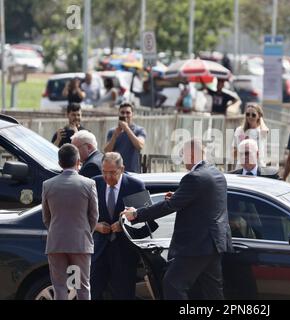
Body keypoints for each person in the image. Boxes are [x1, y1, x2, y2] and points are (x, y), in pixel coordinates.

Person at [122, 139, 233, 300]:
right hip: (215, 243)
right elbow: (205, 202)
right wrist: (178, 196)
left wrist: (137, 214)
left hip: (197, 245)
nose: (182, 158)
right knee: (213, 291)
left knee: (173, 284)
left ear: (192, 154)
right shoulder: (217, 174)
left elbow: (170, 206)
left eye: (183, 154)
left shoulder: (194, 177)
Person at [42, 144, 99, 300]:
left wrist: (56, 231)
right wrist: (85, 232)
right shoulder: (88, 184)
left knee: (60, 288)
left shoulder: (48, 185)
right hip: (80, 244)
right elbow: (94, 216)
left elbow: (46, 218)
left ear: (60, 163)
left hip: (56, 243)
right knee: (82, 288)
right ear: (78, 161)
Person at [90, 152, 147, 300]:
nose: (108, 177)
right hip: (98, 252)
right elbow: (80, 216)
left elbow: (149, 223)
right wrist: (95, 226)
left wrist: (125, 225)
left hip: (124, 254)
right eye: (104, 172)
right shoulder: (94, 184)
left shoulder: (135, 186)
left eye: (112, 173)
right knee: (94, 294)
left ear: (121, 169)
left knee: (123, 295)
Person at [104, 103, 146, 173]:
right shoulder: (112, 132)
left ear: (132, 114)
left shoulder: (139, 130)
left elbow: (140, 146)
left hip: (133, 172)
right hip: (116, 172)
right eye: (122, 113)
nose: (125, 115)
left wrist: (127, 129)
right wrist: (114, 136)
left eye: (128, 113)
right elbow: (107, 151)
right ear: (119, 114)